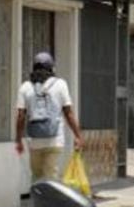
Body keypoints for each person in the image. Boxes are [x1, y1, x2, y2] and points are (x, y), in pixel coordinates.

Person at [16, 52, 83, 184]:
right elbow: (68, 113)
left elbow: (20, 116)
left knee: (37, 178)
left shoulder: (25, 87)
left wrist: (18, 140)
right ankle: (51, 204)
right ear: (51, 68)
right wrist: (78, 136)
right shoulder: (60, 84)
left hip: (35, 142)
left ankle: (39, 204)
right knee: (51, 179)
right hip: (55, 140)